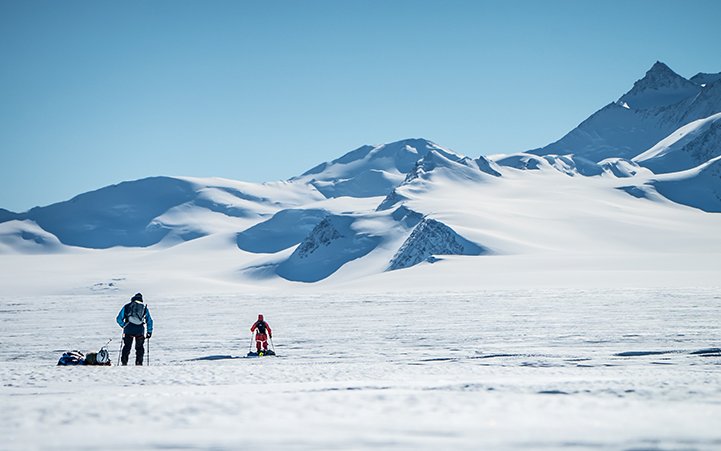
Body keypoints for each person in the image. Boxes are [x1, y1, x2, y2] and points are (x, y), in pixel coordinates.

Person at [116, 292, 154, 366]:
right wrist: (149, 332)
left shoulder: (127, 306)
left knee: (127, 347)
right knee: (139, 348)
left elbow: (119, 319)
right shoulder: (144, 308)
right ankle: (139, 363)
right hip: (139, 330)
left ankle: (124, 362)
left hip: (128, 329)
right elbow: (149, 320)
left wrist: (124, 325)